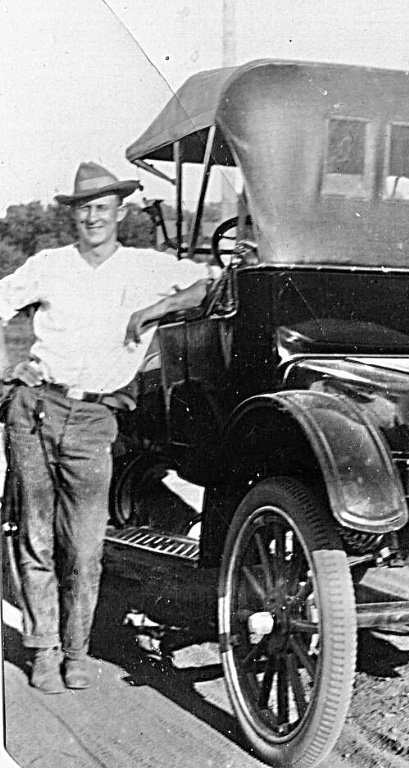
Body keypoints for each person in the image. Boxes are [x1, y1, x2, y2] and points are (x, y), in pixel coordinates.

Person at [0, 162, 213, 694]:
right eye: (83, 209)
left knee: (85, 547)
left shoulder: (144, 266)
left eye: (102, 207)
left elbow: (209, 282)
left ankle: (77, 650)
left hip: (95, 420)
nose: (92, 217)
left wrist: (157, 308)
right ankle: (44, 650)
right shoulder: (49, 265)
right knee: (36, 538)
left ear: (120, 212)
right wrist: (8, 368)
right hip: (36, 409)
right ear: (72, 215)